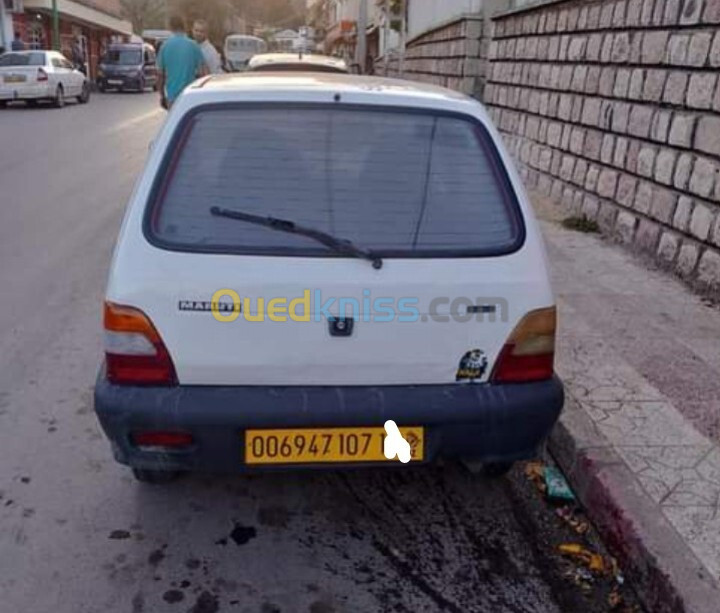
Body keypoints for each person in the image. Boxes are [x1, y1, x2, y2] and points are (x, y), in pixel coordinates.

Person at [157, 15, 207, 109]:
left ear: (170, 27)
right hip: (190, 95)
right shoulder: (194, 46)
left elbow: (160, 75)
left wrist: (162, 96)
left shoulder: (164, 46)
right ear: (184, 26)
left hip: (172, 96)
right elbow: (202, 73)